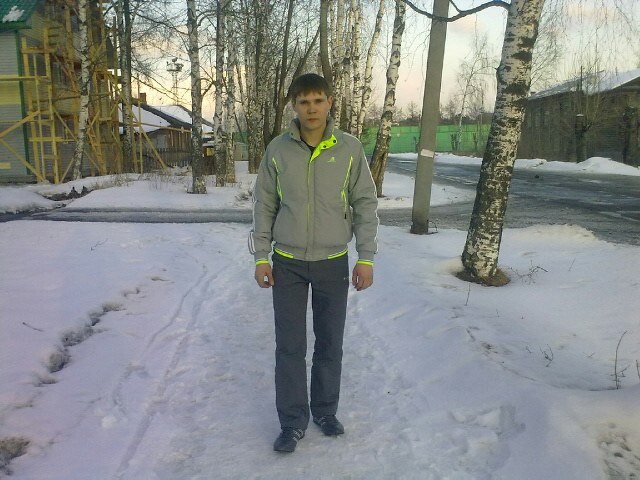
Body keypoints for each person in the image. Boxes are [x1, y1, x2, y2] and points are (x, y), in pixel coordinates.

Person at [249, 73, 379, 453]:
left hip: (332, 262)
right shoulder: (278, 150)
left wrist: (366, 258)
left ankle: (325, 411)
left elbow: (365, 203)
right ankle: (292, 422)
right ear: (293, 105)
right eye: (304, 102)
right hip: (287, 263)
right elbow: (264, 204)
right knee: (289, 346)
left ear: (329, 103)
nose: (311, 109)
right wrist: (261, 257)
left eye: (318, 101)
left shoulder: (350, 149)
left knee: (330, 343)